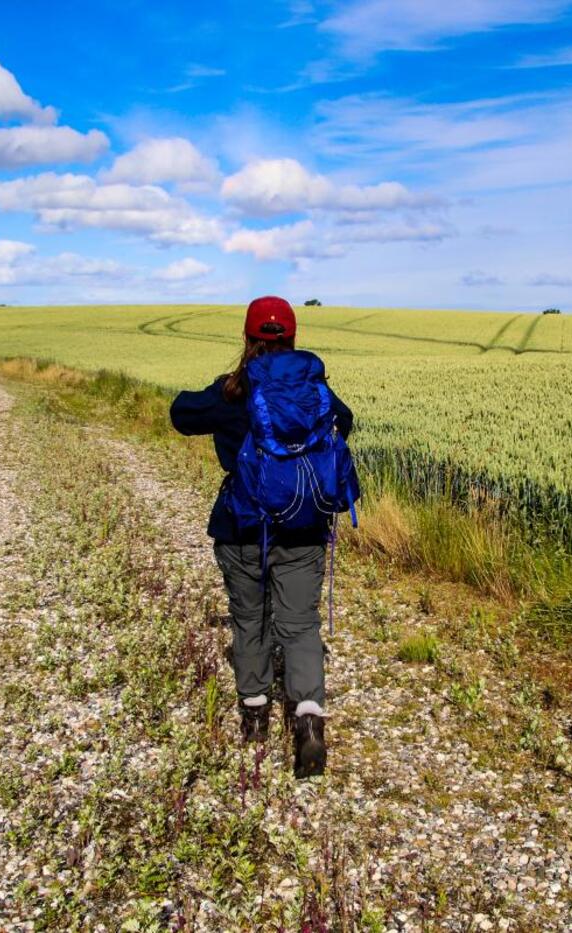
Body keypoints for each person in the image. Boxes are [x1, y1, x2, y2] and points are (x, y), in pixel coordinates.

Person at [169, 296, 353, 778]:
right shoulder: (315, 391)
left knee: (250, 620)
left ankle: (254, 721)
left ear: (248, 337)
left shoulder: (233, 391)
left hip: (243, 528)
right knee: (299, 623)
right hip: (304, 529)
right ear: (293, 337)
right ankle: (309, 721)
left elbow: (181, 414)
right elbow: (346, 423)